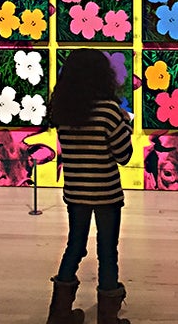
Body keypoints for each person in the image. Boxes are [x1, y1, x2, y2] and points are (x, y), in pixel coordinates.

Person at [45, 49, 134, 324]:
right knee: (107, 250)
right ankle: (108, 315)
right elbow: (124, 155)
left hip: (75, 193)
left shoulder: (63, 110)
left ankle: (59, 312)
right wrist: (125, 126)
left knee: (75, 245)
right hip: (106, 193)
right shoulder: (108, 111)